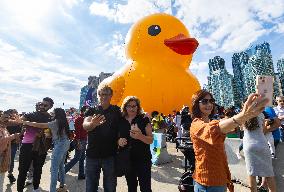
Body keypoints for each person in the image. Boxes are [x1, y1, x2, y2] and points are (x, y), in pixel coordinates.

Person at [190, 90, 268, 192]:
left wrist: (247, 115)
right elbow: (213, 130)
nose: (209, 104)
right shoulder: (196, 124)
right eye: (204, 101)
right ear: (196, 104)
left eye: (211, 101)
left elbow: (222, 126)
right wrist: (244, 114)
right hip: (207, 184)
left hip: (220, 180)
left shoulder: (212, 121)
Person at [19, 108, 70, 192]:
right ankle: (62, 185)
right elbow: (58, 134)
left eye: (53, 113)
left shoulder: (55, 122)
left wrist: (24, 122)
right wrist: (50, 135)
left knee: (54, 169)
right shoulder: (63, 122)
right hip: (65, 143)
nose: (52, 115)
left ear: (57, 114)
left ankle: (52, 190)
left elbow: (41, 125)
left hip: (60, 144)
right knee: (61, 166)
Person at [83, 85, 121, 192]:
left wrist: (143, 115)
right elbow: (85, 126)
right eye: (101, 94)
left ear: (111, 95)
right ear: (98, 95)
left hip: (110, 155)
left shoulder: (116, 110)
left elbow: (129, 117)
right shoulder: (92, 110)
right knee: (90, 187)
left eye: (106, 94)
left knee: (110, 188)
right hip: (92, 155)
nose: (103, 97)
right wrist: (93, 124)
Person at [17, 97, 54, 192]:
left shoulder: (51, 118)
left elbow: (50, 135)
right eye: (41, 104)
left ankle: (36, 189)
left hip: (41, 147)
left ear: (50, 107)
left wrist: (45, 134)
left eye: (45, 105)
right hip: (27, 145)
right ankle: (19, 190)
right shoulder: (30, 114)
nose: (42, 106)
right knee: (22, 170)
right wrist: (22, 121)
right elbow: (20, 121)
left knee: (38, 169)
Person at [118, 96, 153, 192]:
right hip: (127, 159)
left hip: (143, 159)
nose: (132, 108)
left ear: (138, 107)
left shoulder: (144, 119)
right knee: (131, 187)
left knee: (145, 188)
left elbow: (151, 140)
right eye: (129, 106)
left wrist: (140, 136)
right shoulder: (120, 120)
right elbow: (114, 137)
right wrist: (118, 141)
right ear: (125, 107)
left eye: (134, 106)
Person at [242, 108, 278, 192]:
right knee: (269, 173)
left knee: (251, 174)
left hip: (248, 146)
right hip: (261, 144)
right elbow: (264, 130)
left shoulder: (243, 115)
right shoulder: (260, 114)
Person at [65, 106, 88, 180]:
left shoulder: (84, 119)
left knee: (82, 158)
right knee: (77, 158)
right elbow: (77, 132)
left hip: (83, 140)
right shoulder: (79, 119)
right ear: (83, 111)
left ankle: (81, 174)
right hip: (80, 141)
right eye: (87, 110)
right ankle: (61, 173)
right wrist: (78, 142)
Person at [0, 111, 20, 189]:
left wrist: (16, 116)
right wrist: (13, 136)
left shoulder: (4, 127)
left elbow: (18, 122)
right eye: (4, 117)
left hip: (3, 156)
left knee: (1, 180)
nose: (7, 119)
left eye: (8, 118)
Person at [5, 109, 22, 183]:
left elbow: (21, 132)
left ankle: (10, 173)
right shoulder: (6, 121)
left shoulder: (18, 123)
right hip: (5, 142)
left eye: (16, 113)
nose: (15, 114)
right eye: (14, 113)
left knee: (11, 159)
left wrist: (18, 139)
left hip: (14, 143)